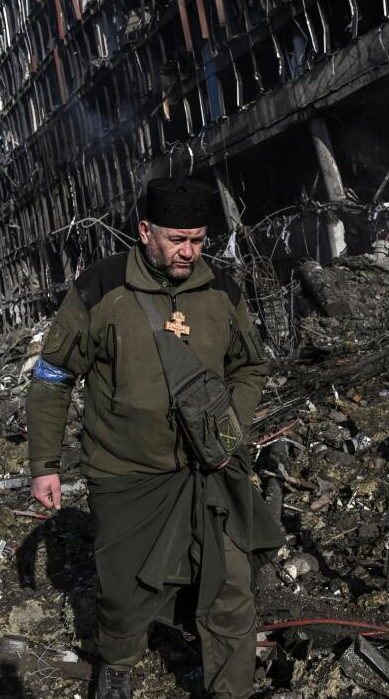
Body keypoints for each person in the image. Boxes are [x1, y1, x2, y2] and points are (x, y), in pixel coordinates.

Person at [26, 177, 284, 699]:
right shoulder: (101, 288)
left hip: (210, 470)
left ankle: (229, 691)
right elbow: (53, 375)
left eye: (198, 239)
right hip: (126, 474)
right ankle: (117, 668)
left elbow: (252, 365)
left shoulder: (221, 291)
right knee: (123, 592)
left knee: (231, 585)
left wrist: (228, 430)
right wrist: (44, 463)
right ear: (145, 232)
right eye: (177, 239)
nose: (189, 251)